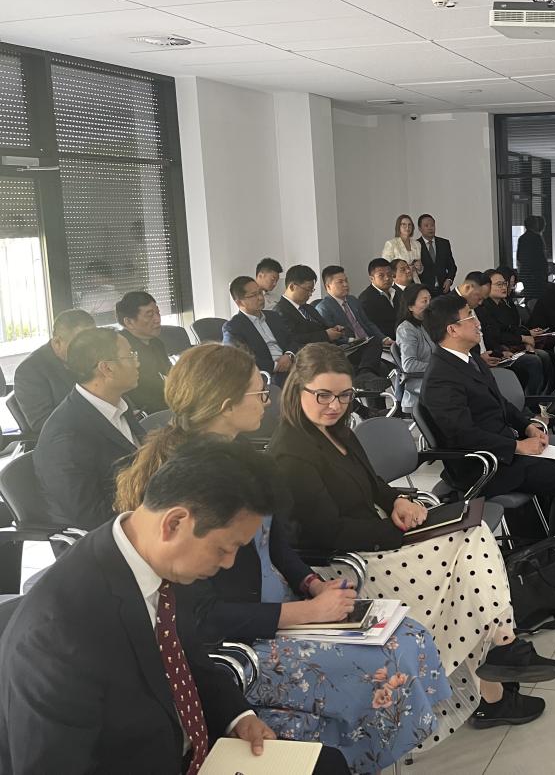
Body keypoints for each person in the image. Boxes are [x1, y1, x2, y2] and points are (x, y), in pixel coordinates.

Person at [112, 344, 451, 768]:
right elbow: (199, 616)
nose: (267, 400)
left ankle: (373, 754)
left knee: (409, 634)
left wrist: (312, 584)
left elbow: (273, 542)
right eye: (259, 393)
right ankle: (358, 759)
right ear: (225, 404)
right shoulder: (188, 487)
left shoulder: (240, 456)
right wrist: (306, 613)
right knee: (386, 659)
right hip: (241, 637)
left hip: (280, 607)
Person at [0, 435, 352, 775]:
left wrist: (238, 717)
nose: (229, 563)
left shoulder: (160, 562)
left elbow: (189, 659)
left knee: (328, 764)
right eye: (224, 548)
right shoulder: (58, 634)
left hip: (196, 750)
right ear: (174, 523)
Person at [270, 343, 555, 734]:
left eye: (343, 395)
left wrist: (397, 501)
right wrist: (400, 530)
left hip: (373, 537)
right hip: (344, 562)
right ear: (298, 389)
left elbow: (373, 483)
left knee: (471, 549)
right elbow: (326, 530)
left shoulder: (336, 431)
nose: (334, 405)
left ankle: (499, 665)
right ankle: (502, 660)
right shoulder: (292, 453)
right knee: (469, 563)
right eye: (323, 395)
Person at [420, 295, 555, 593]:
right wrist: (518, 447)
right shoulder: (440, 376)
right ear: (452, 329)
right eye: (470, 316)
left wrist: (527, 425)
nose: (478, 322)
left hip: (504, 449)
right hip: (482, 464)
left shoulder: (469, 359)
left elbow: (501, 404)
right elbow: (462, 435)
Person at [34, 327, 146, 530]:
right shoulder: (66, 435)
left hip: (148, 512)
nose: (137, 363)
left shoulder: (118, 404)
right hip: (116, 533)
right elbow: (90, 517)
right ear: (107, 368)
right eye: (130, 356)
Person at [12, 307, 95, 436]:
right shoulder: (29, 372)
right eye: (81, 345)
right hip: (71, 439)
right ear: (57, 342)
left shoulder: (93, 357)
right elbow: (43, 423)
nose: (89, 350)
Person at [477, 267, 554, 394]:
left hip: (512, 346)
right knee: (533, 361)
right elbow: (495, 336)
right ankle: (528, 400)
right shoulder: (483, 307)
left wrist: (526, 340)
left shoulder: (504, 304)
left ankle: (543, 398)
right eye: (499, 284)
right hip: (497, 350)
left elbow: (513, 328)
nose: (504, 287)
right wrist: (522, 340)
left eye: (505, 284)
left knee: (544, 356)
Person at [315, 265, 391, 383]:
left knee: (384, 356)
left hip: (367, 344)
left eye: (346, 280)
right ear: (328, 286)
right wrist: (351, 340)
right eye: (340, 282)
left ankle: (366, 374)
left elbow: (367, 323)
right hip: (349, 349)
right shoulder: (323, 308)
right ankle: (365, 373)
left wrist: (384, 338)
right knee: (378, 360)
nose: (345, 284)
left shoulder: (353, 300)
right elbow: (331, 337)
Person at [222, 276, 296, 384]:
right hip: (268, 375)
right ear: (239, 302)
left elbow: (292, 340)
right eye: (253, 295)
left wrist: (289, 355)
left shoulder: (273, 316)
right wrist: (277, 366)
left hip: (291, 364)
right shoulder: (233, 328)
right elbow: (242, 360)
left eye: (260, 292)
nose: (261, 298)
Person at [116, 291, 171, 415]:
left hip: (168, 403)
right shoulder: (120, 349)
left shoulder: (156, 343)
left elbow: (169, 374)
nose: (157, 319)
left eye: (158, 313)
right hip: (143, 413)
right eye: (150, 315)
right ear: (128, 322)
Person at [273, 264, 346, 350]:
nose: (310, 294)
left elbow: (323, 328)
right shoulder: (279, 312)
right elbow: (292, 340)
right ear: (292, 287)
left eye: (312, 290)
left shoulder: (309, 308)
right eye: (308, 289)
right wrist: (325, 335)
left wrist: (334, 330)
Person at [395, 283, 434, 410]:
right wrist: (438, 367)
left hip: (434, 379)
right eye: (424, 301)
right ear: (410, 306)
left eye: (430, 299)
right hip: (420, 386)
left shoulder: (425, 325)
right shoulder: (406, 329)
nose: (429, 304)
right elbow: (409, 365)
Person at [358, 257, 399, 339]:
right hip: (385, 341)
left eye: (389, 274)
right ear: (371, 278)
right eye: (381, 275)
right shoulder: (366, 299)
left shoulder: (397, 292)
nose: (387, 278)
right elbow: (372, 328)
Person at [417, 213, 457, 296]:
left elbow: (452, 266)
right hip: (424, 292)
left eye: (432, 225)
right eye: (426, 225)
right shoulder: (416, 245)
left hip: (443, 291)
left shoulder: (444, 243)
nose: (430, 228)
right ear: (420, 228)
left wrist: (449, 280)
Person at [516, 214, 549, 300]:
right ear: (534, 224)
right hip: (536, 274)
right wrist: (544, 271)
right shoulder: (536, 238)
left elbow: (519, 257)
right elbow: (540, 257)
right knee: (539, 298)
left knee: (529, 297)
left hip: (526, 273)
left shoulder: (522, 238)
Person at [381, 214, 422, 282]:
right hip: (398, 282)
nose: (407, 227)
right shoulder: (391, 244)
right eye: (404, 224)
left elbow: (419, 269)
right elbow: (386, 267)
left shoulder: (417, 244)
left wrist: (419, 267)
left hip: (415, 281)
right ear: (398, 227)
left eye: (410, 225)